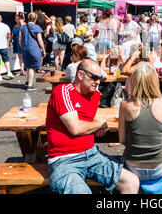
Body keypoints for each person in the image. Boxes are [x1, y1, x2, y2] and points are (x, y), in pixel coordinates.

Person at [46, 58, 139, 194]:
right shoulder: (63, 91)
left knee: (131, 182)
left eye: (100, 78)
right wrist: (99, 123)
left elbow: (87, 117)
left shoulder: (95, 95)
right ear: (80, 75)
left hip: (92, 155)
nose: (98, 82)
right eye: (94, 77)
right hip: (65, 160)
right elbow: (75, 128)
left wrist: (96, 125)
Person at [119, 62, 162, 184]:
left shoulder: (125, 105)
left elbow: (122, 139)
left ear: (134, 81)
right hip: (159, 168)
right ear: (154, 81)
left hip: (133, 168)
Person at [19, 12, 46, 91]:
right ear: (35, 19)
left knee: (28, 66)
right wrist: (43, 50)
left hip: (24, 48)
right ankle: (30, 86)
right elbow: (40, 41)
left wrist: (23, 46)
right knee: (32, 67)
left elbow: (20, 39)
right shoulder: (37, 27)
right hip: (34, 48)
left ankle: (27, 82)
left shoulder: (23, 27)